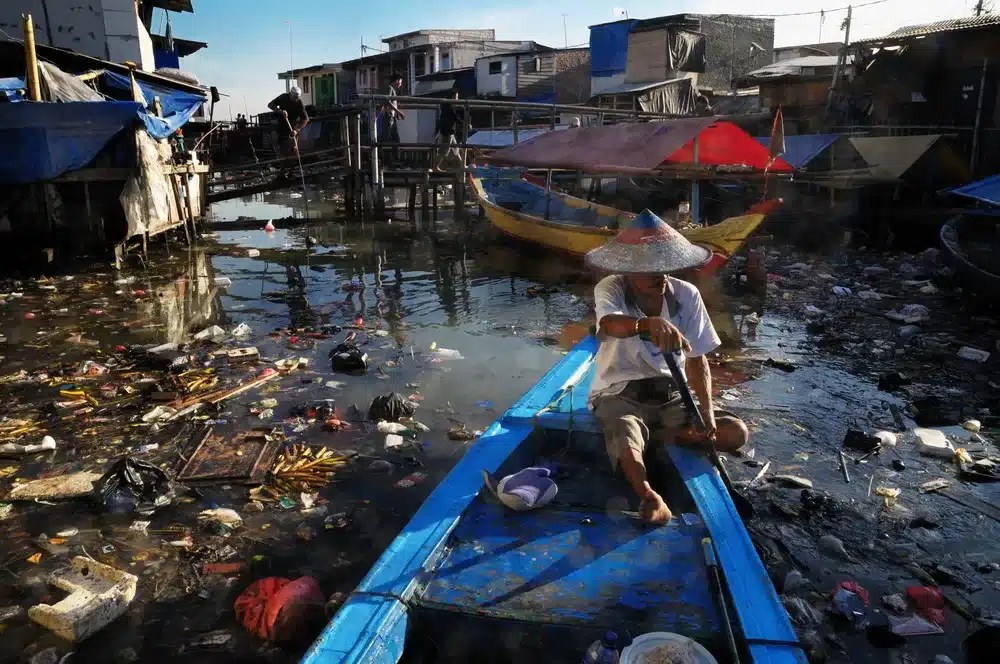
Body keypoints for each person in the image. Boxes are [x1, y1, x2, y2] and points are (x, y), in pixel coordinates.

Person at [585, 210, 750, 524]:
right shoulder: (612, 287)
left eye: (662, 267)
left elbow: (697, 359)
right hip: (619, 393)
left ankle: (664, 436)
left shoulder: (686, 294)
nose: (657, 275)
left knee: (735, 433)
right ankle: (649, 494)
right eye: (646, 269)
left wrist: (707, 414)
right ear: (628, 270)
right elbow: (610, 324)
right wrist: (646, 324)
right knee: (625, 435)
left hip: (671, 394)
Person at [267, 85, 309, 165]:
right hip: (282, 127)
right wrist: (280, 111)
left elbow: (305, 119)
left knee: (293, 151)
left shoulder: (299, 102)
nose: (295, 100)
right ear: (290, 94)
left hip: (293, 129)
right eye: (294, 98)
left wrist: (297, 130)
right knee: (283, 151)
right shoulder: (283, 97)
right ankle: (282, 172)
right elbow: (270, 105)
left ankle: (291, 172)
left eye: (297, 98)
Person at [433, 88, 465, 171]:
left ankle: (462, 164)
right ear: (452, 97)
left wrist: (437, 130)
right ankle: (435, 166)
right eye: (456, 97)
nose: (457, 99)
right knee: (444, 150)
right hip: (448, 132)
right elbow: (455, 118)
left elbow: (441, 120)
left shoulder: (446, 106)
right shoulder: (449, 107)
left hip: (449, 131)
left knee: (456, 149)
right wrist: (464, 124)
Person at [380, 73, 405, 167]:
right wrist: (398, 112)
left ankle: (393, 161)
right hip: (388, 116)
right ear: (397, 80)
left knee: (395, 140)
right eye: (400, 82)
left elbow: (391, 102)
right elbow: (387, 101)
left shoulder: (392, 89)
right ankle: (386, 161)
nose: (400, 84)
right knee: (387, 140)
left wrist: (396, 113)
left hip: (392, 117)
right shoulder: (389, 88)